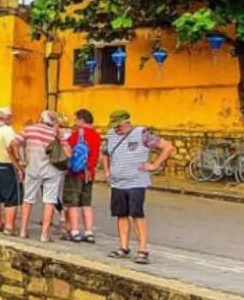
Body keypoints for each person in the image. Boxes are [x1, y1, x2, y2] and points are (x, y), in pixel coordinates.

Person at [100, 110, 173, 263]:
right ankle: (124, 247)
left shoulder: (142, 133)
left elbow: (168, 147)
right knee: (121, 215)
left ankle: (142, 249)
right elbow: (105, 153)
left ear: (127, 122)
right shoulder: (111, 135)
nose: (117, 129)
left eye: (119, 126)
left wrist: (154, 165)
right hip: (117, 182)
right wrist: (107, 171)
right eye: (115, 126)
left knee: (137, 215)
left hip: (136, 182)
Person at [15, 109, 66, 242]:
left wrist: (20, 160)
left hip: (32, 168)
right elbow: (68, 152)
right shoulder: (56, 133)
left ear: (40, 119)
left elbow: (13, 143)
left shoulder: (29, 130)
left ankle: (23, 230)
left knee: (28, 199)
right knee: (49, 201)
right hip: (52, 170)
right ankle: (44, 234)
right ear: (54, 122)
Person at [62, 109, 102, 243]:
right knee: (86, 203)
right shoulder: (96, 135)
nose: (74, 122)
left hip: (75, 172)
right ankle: (89, 231)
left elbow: (67, 148)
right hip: (89, 173)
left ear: (81, 120)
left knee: (73, 202)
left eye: (76, 119)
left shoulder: (78, 134)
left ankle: (74, 231)